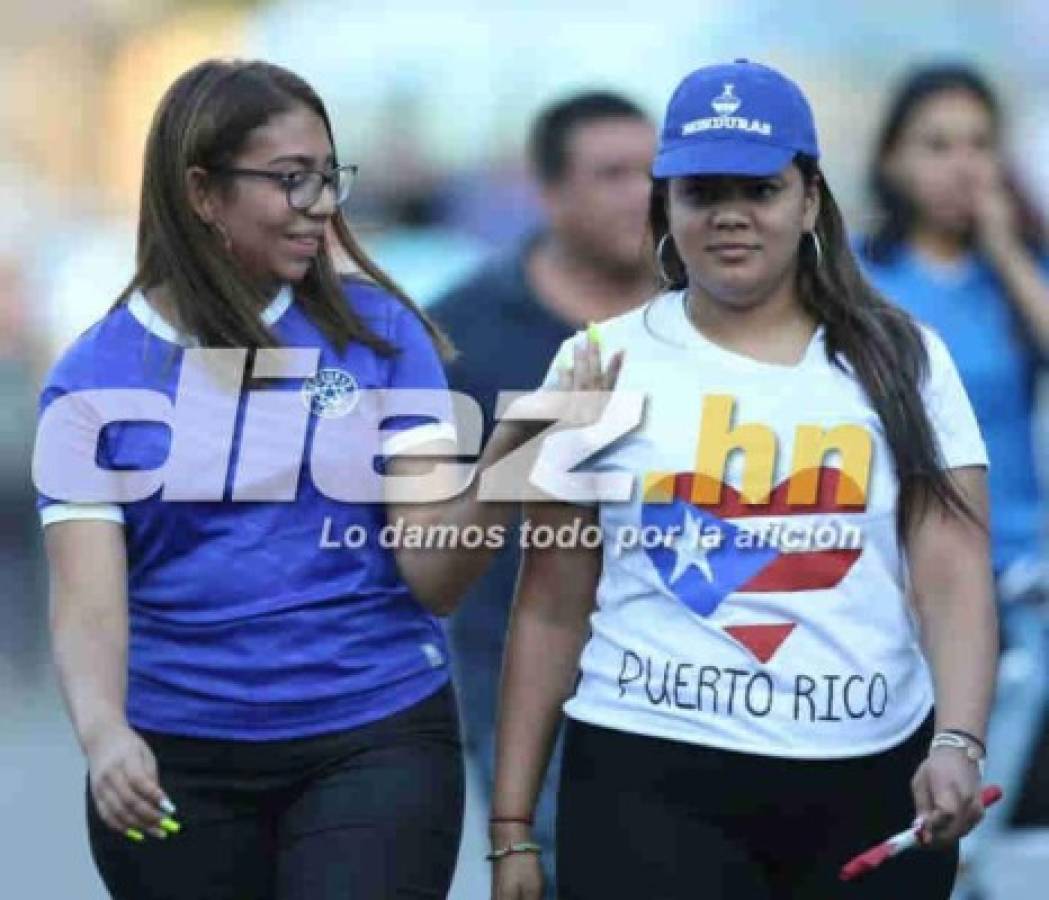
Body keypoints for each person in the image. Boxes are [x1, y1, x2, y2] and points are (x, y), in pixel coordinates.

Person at [489, 59, 998, 900]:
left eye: (758, 189)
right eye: (699, 191)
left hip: (870, 782)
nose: (728, 215)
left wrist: (959, 741)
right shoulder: (594, 360)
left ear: (808, 199)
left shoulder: (906, 357)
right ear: (668, 205)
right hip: (644, 778)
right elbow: (548, 599)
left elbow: (952, 575)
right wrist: (509, 831)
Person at [32, 59, 540, 900]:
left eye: (328, 177)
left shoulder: (378, 334)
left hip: (373, 739)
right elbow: (88, 601)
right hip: (174, 762)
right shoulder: (92, 377)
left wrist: (503, 466)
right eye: (289, 180)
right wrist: (105, 734)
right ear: (201, 190)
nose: (321, 205)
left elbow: (434, 575)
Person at [430, 91, 657, 893]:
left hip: (681, 666)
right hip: (517, 668)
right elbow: (428, 532)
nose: (642, 193)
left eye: (653, 172)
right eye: (612, 173)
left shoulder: (703, 317)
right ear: (550, 191)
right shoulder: (462, 332)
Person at [858, 63, 1049, 900]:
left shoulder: (1016, 274)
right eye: (935, 144)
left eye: (977, 143)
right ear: (891, 158)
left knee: (1003, 835)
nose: (960, 164)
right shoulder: (857, 275)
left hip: (1020, 581)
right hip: (895, 580)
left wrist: (1006, 248)